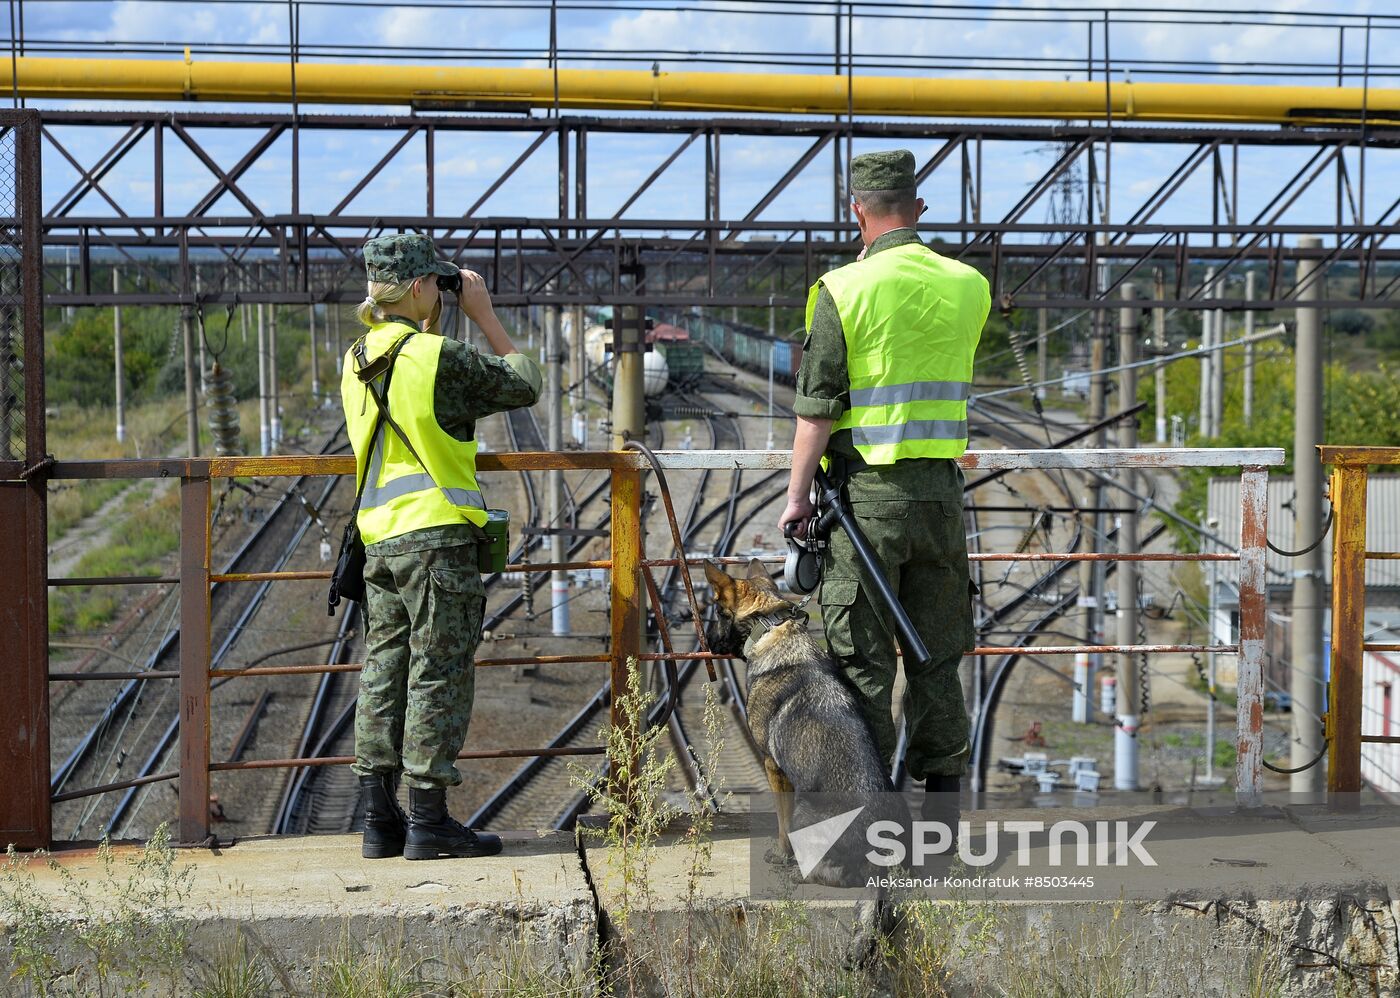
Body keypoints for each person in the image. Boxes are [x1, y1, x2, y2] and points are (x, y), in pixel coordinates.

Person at [777, 150, 989, 829]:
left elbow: (817, 410)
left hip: (867, 498)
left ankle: (868, 825)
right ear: (918, 209)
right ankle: (946, 827)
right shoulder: (969, 285)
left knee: (861, 660)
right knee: (937, 655)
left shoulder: (842, 289)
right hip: (941, 497)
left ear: (857, 211)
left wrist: (797, 496)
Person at [342, 234, 541, 861]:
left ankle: (380, 821)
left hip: (377, 537)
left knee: (383, 670)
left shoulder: (355, 358)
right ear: (425, 288)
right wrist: (482, 314)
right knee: (438, 672)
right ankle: (429, 821)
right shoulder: (436, 357)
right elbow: (522, 382)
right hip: (436, 537)